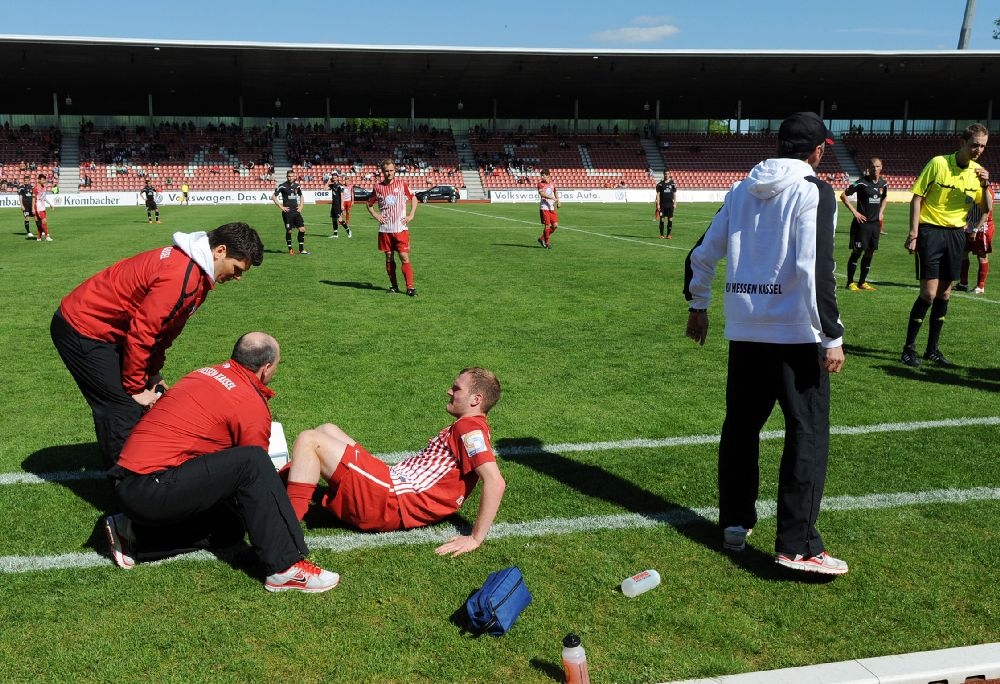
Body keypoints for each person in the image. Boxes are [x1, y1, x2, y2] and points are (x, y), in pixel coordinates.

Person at [683, 112, 848, 576]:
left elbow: (701, 252)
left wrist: (699, 307)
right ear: (817, 152)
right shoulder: (813, 190)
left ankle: (735, 524)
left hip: (746, 331)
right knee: (807, 434)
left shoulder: (740, 188)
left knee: (740, 428)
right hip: (797, 336)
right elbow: (816, 268)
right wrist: (832, 335)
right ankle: (798, 545)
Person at [104, 332, 340, 593]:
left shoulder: (206, 373)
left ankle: (137, 535)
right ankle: (285, 567)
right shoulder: (248, 402)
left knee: (230, 527)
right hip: (150, 486)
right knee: (253, 461)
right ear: (266, 368)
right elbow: (256, 473)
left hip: (131, 481)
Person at [50, 222, 264, 466]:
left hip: (108, 329)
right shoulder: (180, 275)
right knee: (122, 408)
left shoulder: (197, 275)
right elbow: (143, 332)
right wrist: (135, 388)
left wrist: (151, 373)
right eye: (237, 269)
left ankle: (142, 468)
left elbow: (165, 331)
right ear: (220, 251)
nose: (237, 277)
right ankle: (128, 488)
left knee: (140, 403)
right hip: (82, 328)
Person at [284, 368, 506, 557]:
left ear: (476, 399)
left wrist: (475, 538)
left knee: (309, 440)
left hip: (391, 500)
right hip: (392, 484)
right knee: (326, 430)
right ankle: (278, 485)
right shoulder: (470, 426)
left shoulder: (469, 428)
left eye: (457, 389)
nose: (449, 391)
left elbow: (495, 482)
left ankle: (285, 533)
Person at [901, 123, 992, 368]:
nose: (978, 150)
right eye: (974, 145)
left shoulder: (978, 172)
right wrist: (914, 232)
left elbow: (985, 208)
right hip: (930, 231)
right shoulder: (938, 163)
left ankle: (933, 350)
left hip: (956, 235)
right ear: (962, 142)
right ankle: (909, 349)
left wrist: (985, 185)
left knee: (945, 293)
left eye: (982, 146)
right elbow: (917, 197)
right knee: (928, 294)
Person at [367, 159, 418, 296]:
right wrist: (375, 215)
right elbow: (369, 204)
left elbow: (413, 198)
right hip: (385, 229)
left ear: (394, 170)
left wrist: (411, 215)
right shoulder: (377, 187)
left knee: (404, 256)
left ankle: (410, 287)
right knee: (389, 257)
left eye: (391, 170)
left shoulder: (402, 184)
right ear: (382, 172)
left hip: (400, 228)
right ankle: (394, 286)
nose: (389, 173)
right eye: (386, 171)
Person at [841, 158, 888, 291]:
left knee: (870, 252)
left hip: (875, 225)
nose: (875, 169)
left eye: (878, 166)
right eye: (873, 166)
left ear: (881, 167)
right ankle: (850, 282)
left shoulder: (883, 184)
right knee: (857, 251)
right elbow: (844, 195)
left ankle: (862, 282)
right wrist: (855, 212)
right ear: (869, 167)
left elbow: (884, 198)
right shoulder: (861, 182)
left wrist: (881, 212)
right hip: (862, 224)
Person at [954, 204, 994, 294]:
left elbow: (986, 211)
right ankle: (963, 283)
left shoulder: (986, 191)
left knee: (982, 256)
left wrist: (976, 229)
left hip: (982, 228)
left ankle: (980, 286)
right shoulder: (972, 190)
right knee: (963, 253)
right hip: (969, 226)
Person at [272, 170, 309, 255]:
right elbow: (273, 197)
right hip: (287, 212)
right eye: (289, 176)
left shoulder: (297, 186)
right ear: (286, 177)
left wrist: (301, 206)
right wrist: (281, 207)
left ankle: (301, 249)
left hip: (296, 211)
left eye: (292, 176)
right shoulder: (282, 186)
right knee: (289, 231)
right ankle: (290, 249)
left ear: (294, 176)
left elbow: (301, 196)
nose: (290, 178)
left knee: (302, 229)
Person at [536, 168, 560, 249]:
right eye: (541, 176)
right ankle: (547, 243)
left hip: (551, 207)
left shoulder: (552, 183)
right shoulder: (540, 184)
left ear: (548, 176)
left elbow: (555, 192)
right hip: (544, 207)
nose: (542, 177)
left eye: (543, 176)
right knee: (547, 225)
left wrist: (558, 201)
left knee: (555, 225)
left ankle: (542, 238)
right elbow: (542, 194)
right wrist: (551, 198)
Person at [655, 170, 678, 239]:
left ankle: (668, 235)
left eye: (667, 174)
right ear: (663, 174)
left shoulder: (673, 184)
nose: (666, 175)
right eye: (665, 174)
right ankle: (661, 234)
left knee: (670, 219)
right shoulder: (660, 184)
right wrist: (658, 204)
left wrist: (675, 203)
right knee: (662, 219)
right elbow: (658, 195)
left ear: (669, 174)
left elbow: (674, 194)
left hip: (670, 204)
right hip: (662, 205)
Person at [32, 174, 54, 241]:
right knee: (44, 221)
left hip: (43, 207)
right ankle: (47, 236)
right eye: (43, 179)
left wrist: (50, 204)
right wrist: (33, 208)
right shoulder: (35, 188)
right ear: (38, 180)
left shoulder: (44, 188)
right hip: (38, 207)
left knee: (40, 223)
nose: (44, 181)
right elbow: (33, 199)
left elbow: (44, 198)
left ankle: (38, 237)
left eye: (45, 179)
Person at [17, 173, 36, 239]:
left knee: (36, 217)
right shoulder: (21, 188)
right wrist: (21, 205)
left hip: (32, 205)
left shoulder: (32, 187)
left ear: (29, 180)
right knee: (27, 218)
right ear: (24, 180)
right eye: (25, 180)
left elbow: (34, 196)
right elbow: (20, 197)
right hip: (25, 206)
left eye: (27, 180)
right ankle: (28, 232)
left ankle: (40, 230)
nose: (26, 181)